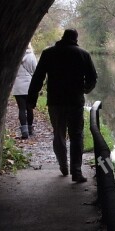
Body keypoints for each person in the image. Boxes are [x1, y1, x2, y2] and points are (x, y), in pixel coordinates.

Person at [28, 29, 97, 183]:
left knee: (59, 134)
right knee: (76, 135)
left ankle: (63, 166)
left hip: (55, 101)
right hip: (75, 101)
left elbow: (38, 78)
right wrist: (84, 89)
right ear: (76, 38)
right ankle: (76, 171)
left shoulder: (48, 53)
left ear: (62, 37)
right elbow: (93, 78)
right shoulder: (83, 54)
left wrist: (32, 99)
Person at [12, 43, 37, 139]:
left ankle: (24, 131)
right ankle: (30, 129)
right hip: (29, 85)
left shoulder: (16, 55)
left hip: (18, 85)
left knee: (21, 109)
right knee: (29, 108)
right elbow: (35, 70)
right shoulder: (31, 56)